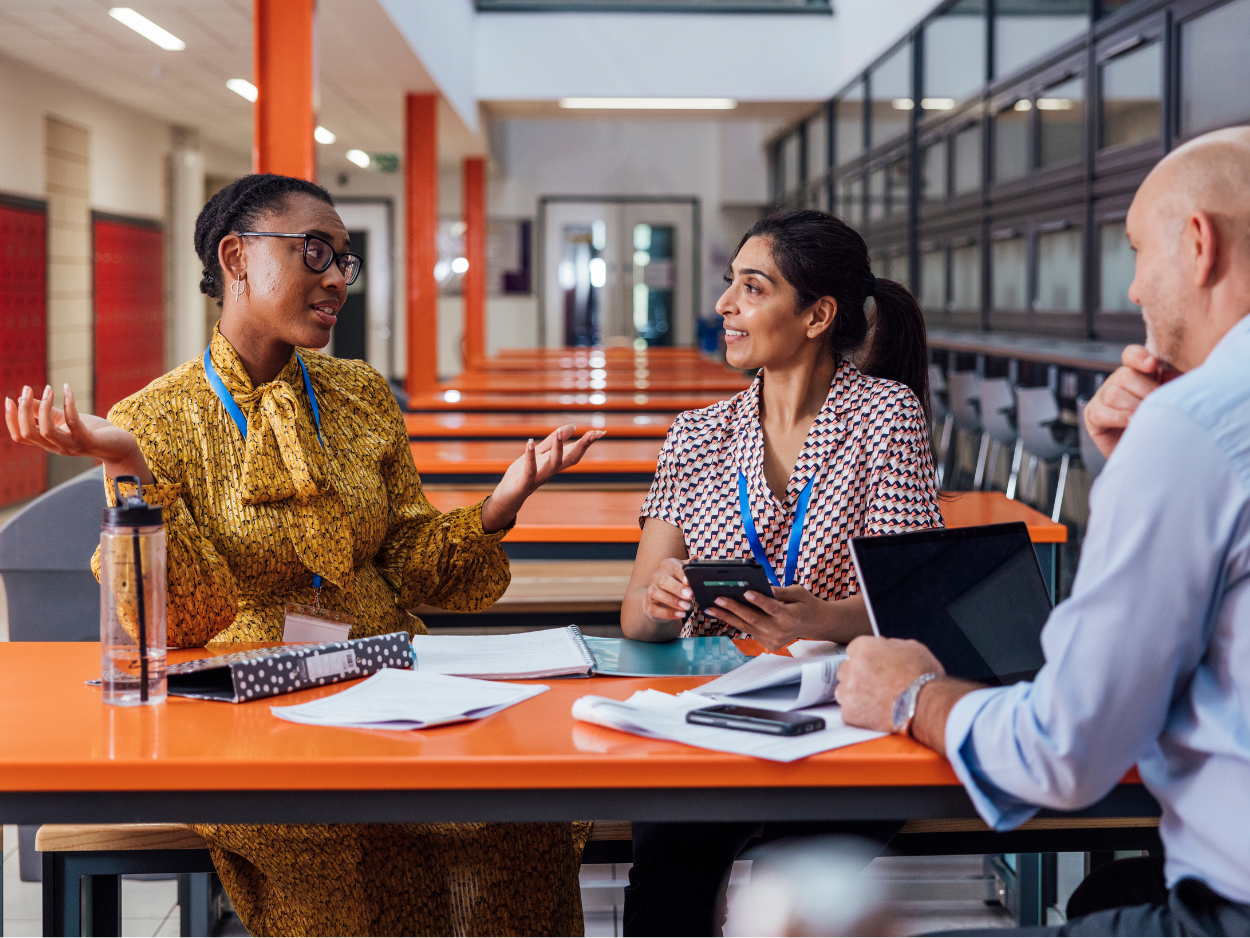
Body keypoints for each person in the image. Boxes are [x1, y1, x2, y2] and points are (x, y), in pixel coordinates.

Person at [4, 173, 604, 936]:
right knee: (344, 839)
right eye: (315, 251)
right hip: (244, 714)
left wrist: (502, 501)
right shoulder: (154, 418)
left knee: (517, 814)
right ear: (237, 257)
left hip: (389, 679)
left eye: (344, 260)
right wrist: (130, 467)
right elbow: (183, 620)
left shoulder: (359, 394)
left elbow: (408, 560)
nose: (336, 278)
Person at [835, 125, 1250, 936]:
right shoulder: (1186, 435)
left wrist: (912, 695)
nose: (1132, 290)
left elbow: (1065, 753)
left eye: (1136, 251)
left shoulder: (1196, 427)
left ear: (1198, 245)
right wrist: (1133, 473)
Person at [620, 209, 944, 936]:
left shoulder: (885, 417)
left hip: (843, 715)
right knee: (669, 879)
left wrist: (818, 620)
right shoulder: (698, 433)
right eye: (729, 283)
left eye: (752, 288)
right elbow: (636, 614)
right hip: (711, 710)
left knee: (790, 885)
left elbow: (912, 600)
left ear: (817, 315)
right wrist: (664, 599)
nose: (725, 306)